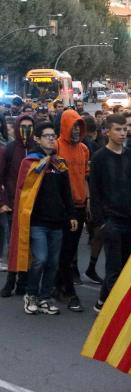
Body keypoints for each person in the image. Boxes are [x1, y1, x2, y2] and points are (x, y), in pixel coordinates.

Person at [8, 122, 78, 315]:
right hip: (37, 222)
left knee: (53, 262)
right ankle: (31, 294)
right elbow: (23, 193)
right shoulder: (30, 163)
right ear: (37, 139)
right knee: (40, 259)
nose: (51, 138)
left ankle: (45, 297)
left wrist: (71, 214)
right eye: (46, 135)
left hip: (57, 222)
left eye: (53, 135)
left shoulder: (59, 163)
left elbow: (66, 192)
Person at [89, 114, 131, 313]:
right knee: (113, 269)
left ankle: (102, 302)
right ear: (107, 132)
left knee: (129, 269)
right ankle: (115, 312)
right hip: (111, 221)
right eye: (118, 129)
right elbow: (95, 192)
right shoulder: (99, 158)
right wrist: (101, 223)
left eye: (124, 129)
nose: (122, 133)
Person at [54, 108, 90, 312]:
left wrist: (89, 202)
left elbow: (85, 177)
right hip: (62, 208)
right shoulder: (57, 146)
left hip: (80, 206)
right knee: (65, 251)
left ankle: (58, 285)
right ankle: (67, 290)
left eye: (79, 126)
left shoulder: (84, 149)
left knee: (70, 251)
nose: (77, 130)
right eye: (74, 126)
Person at [0, 114, 35, 296]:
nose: (26, 130)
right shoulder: (10, 149)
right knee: (15, 245)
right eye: (23, 125)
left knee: (30, 246)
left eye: (30, 126)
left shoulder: (37, 149)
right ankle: (10, 281)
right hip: (14, 205)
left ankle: (24, 281)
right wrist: (3, 202)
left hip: (34, 207)